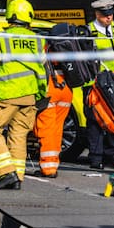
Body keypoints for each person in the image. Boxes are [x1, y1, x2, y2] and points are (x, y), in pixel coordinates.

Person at [0, 0, 45, 190]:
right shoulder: (37, 42)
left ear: (10, 16)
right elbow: (44, 71)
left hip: (5, 95)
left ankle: (7, 173)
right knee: (19, 135)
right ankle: (17, 177)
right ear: (29, 17)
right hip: (30, 96)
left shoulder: (2, 39)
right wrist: (41, 95)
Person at [85, 0, 114, 170]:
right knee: (95, 120)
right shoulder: (89, 31)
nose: (109, 18)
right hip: (96, 82)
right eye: (105, 15)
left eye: (111, 14)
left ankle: (112, 155)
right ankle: (96, 158)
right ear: (97, 14)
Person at [34, 23, 76, 178]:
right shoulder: (69, 46)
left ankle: (48, 168)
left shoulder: (47, 46)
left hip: (51, 87)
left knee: (46, 129)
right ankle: (53, 163)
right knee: (57, 129)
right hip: (66, 89)